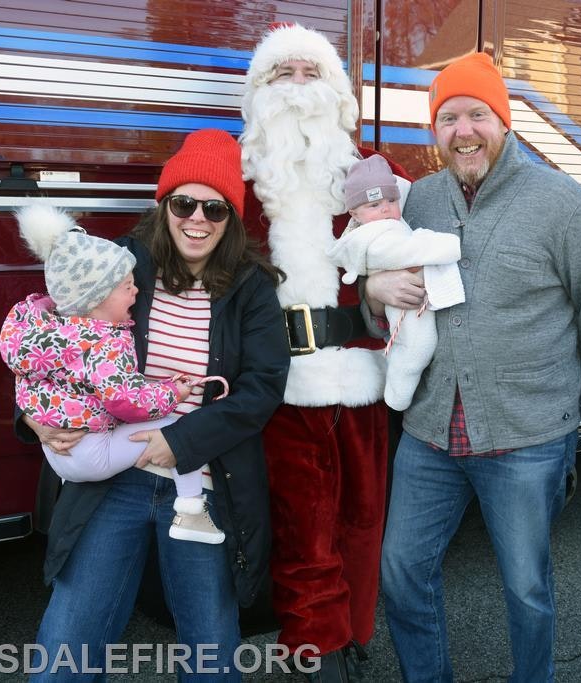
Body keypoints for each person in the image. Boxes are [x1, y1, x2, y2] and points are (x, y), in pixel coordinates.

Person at [368, 52, 581, 682]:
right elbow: (392, 311)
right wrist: (376, 295)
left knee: (526, 589)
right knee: (402, 572)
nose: (464, 130)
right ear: (434, 130)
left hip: (527, 438)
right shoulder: (420, 202)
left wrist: (572, 407)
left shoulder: (561, 201)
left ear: (504, 121)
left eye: (477, 115)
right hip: (430, 432)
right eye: (449, 117)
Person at [18, 128, 290, 680]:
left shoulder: (251, 286)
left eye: (215, 209)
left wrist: (178, 442)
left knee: (211, 647)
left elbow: (263, 387)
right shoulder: (122, 262)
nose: (198, 220)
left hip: (202, 475)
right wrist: (34, 420)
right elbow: (51, 338)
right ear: (164, 204)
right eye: (185, 203)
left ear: (231, 218)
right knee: (69, 638)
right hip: (112, 476)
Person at [237, 23, 409, 681]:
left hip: (362, 377)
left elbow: (415, 254)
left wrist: (388, 286)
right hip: (280, 392)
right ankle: (319, 650)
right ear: (260, 91)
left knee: (364, 524)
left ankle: (353, 632)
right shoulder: (239, 178)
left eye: (313, 74)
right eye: (284, 75)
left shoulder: (372, 171)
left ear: (336, 91)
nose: (300, 89)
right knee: (304, 530)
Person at [1, 203, 228, 545]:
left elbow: (30, 381)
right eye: (126, 287)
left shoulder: (41, 327)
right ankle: (192, 510)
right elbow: (127, 402)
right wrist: (173, 393)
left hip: (57, 455)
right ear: (97, 298)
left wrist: (36, 416)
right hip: (91, 454)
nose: (136, 292)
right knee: (180, 431)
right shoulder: (105, 342)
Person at [327, 154, 464, 410]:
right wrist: (452, 246)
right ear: (354, 212)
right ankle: (397, 397)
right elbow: (405, 251)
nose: (386, 208)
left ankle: (398, 390)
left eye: (391, 200)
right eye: (375, 204)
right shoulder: (369, 237)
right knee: (418, 347)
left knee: (416, 347)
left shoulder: (389, 224)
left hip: (411, 297)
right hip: (404, 305)